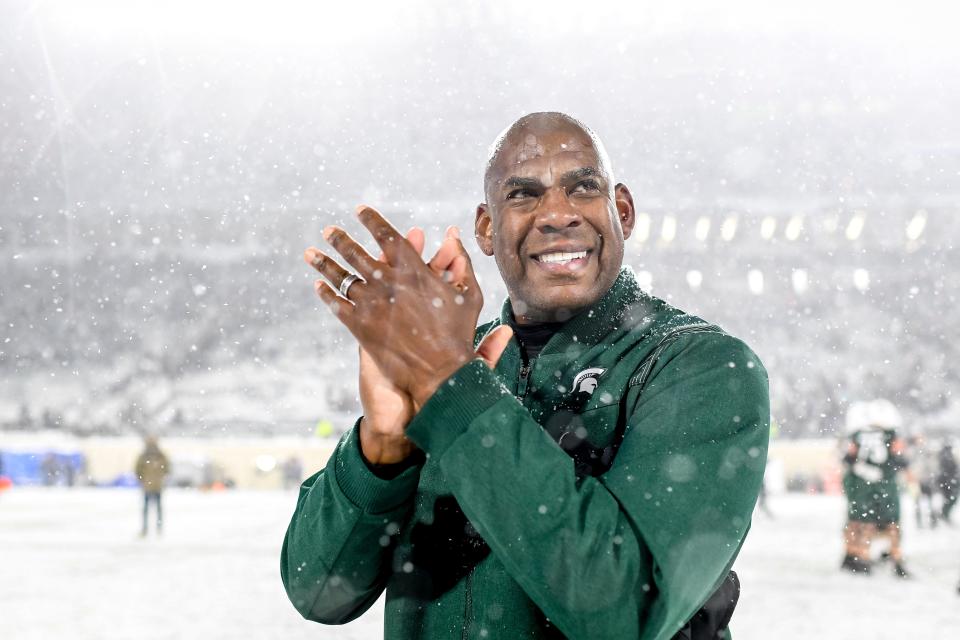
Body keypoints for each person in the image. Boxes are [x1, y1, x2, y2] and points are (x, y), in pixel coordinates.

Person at [282, 112, 770, 640]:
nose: (557, 214)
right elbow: (318, 591)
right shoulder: (449, 366)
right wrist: (382, 446)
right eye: (523, 195)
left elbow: (627, 612)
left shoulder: (700, 366)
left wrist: (451, 389)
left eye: (583, 188)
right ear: (487, 229)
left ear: (622, 212)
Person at [840, 400, 910, 578]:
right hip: (885, 484)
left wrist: (859, 468)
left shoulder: (857, 434)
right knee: (891, 523)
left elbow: (848, 458)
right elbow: (899, 458)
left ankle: (858, 556)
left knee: (861, 522)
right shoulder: (890, 434)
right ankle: (896, 558)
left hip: (863, 486)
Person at [135, 435, 169, 537]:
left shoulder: (160, 456)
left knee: (155, 509)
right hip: (150, 486)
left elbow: (167, 469)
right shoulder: (145, 456)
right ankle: (147, 529)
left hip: (155, 486)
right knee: (148, 509)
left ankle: (157, 529)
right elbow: (138, 470)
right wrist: (144, 480)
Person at [939, 443, 958, 524]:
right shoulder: (947, 457)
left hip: (947, 482)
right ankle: (944, 514)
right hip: (948, 482)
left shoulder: (944, 457)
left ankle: (944, 514)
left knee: (949, 499)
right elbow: (949, 470)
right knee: (950, 499)